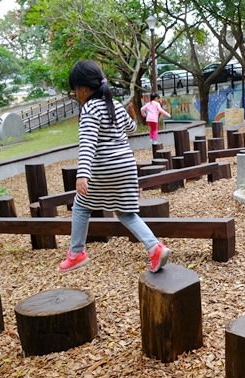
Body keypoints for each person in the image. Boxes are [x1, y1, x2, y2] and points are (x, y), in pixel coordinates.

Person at [59, 60, 171, 273]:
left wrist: (82, 174)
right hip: (127, 165)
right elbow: (130, 127)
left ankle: (76, 253)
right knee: (126, 212)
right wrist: (129, 114)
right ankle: (154, 247)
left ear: (82, 89)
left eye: (75, 91)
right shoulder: (114, 105)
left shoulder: (90, 109)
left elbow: (88, 143)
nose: (76, 95)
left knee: (81, 206)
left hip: (105, 166)